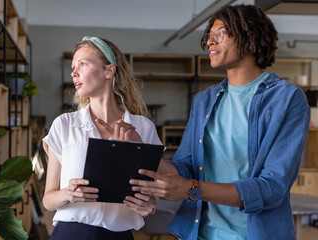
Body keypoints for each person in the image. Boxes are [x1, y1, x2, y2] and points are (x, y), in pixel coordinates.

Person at [129, 4, 311, 240]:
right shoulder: (205, 100)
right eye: (208, 37)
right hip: (202, 233)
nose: (210, 42)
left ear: (249, 36)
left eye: (220, 34)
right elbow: (185, 167)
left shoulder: (286, 99)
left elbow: (272, 188)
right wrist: (142, 150)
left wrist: (192, 189)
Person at [42, 36, 162, 240]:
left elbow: (153, 191)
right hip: (70, 234)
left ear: (109, 70)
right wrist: (67, 194)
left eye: (83, 64)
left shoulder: (143, 128)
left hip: (120, 236)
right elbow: (48, 199)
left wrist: (149, 206)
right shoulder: (64, 125)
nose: (74, 72)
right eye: (73, 66)